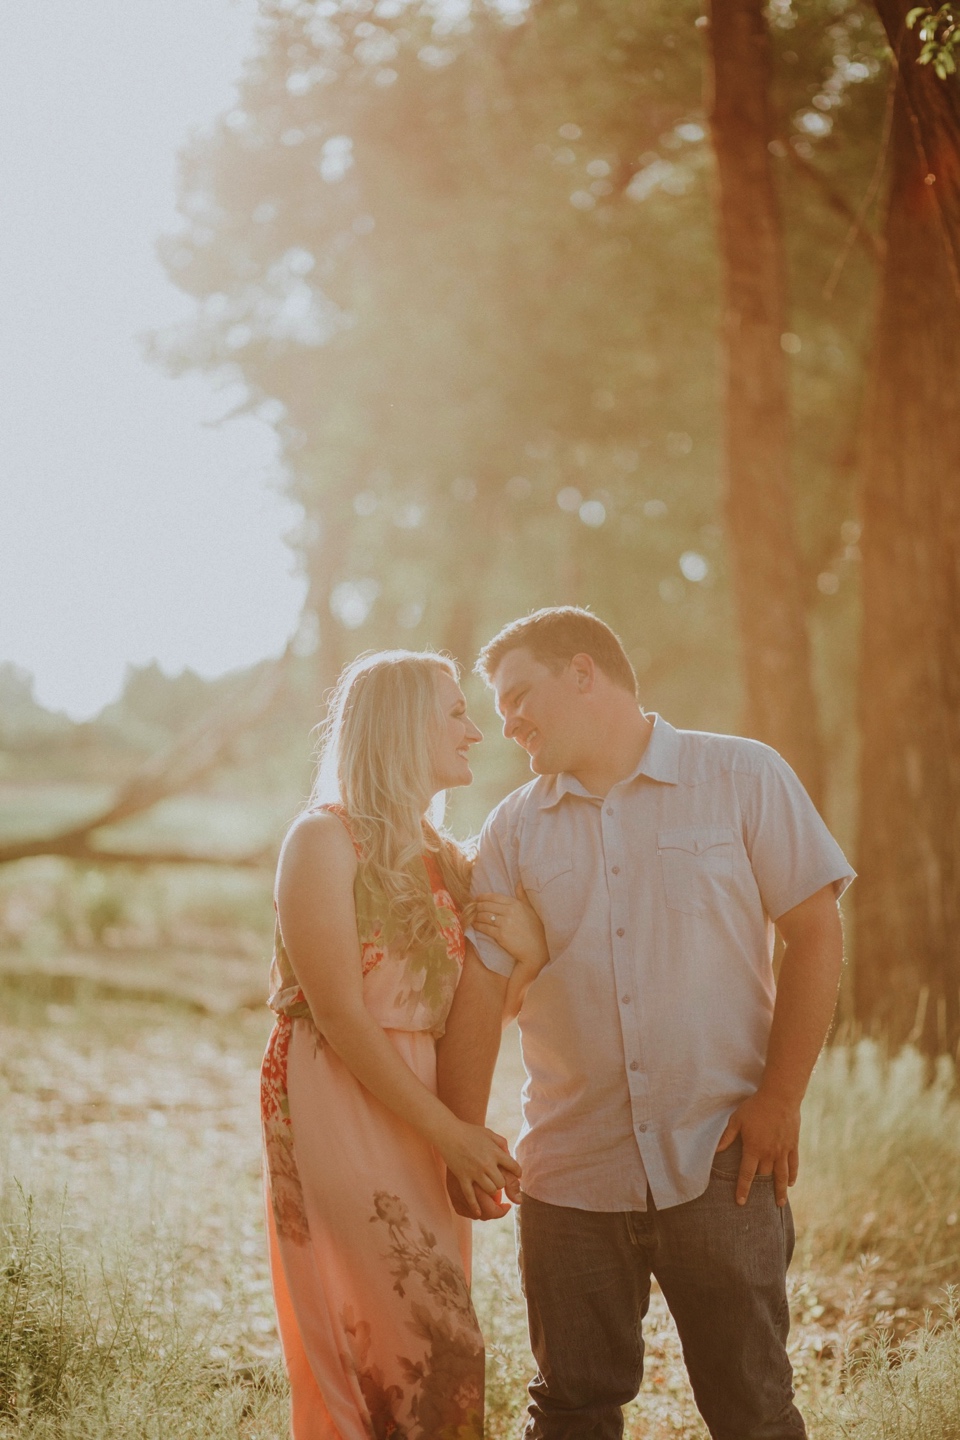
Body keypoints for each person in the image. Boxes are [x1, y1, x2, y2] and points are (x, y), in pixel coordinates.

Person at [437, 607, 855, 1440]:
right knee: (570, 1409)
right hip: (569, 1175)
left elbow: (815, 932)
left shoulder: (742, 776)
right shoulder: (513, 828)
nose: (506, 720)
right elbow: (483, 988)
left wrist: (780, 1098)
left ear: (584, 673)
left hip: (722, 1161)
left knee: (754, 1412)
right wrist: (460, 1130)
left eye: (520, 695)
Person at [260, 649, 546, 1440]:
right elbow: (342, 1016)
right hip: (337, 1094)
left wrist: (532, 952)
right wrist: (451, 1133)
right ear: (402, 724)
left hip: (424, 1101)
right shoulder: (323, 842)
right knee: (419, 1337)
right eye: (455, 712)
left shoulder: (450, 864)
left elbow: (478, 1012)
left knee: (432, 1341)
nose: (475, 731)